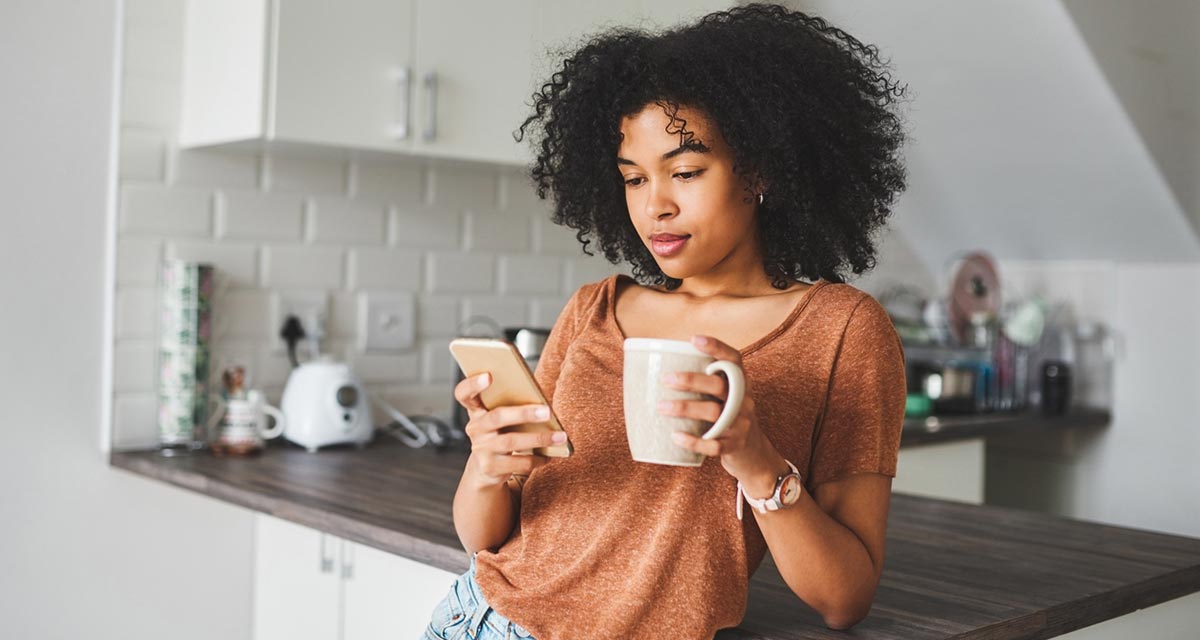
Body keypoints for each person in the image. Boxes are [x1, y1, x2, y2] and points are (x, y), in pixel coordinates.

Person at [423, 3, 910, 638]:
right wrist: (487, 464)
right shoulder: (594, 309)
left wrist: (753, 457)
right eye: (633, 179)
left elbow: (845, 598)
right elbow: (485, 537)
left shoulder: (843, 332)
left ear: (760, 169)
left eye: (685, 172)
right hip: (484, 621)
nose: (655, 206)